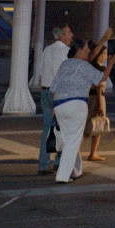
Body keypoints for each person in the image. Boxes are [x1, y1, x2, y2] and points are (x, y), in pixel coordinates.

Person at [51, 38, 115, 183]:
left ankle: (75, 171)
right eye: (86, 49)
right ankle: (63, 176)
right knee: (72, 142)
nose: (88, 52)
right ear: (79, 51)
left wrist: (53, 110)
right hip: (76, 105)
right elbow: (101, 79)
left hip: (60, 105)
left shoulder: (64, 64)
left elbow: (54, 87)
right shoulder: (84, 65)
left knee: (69, 140)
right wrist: (110, 64)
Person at [35, 23, 73, 175]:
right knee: (63, 128)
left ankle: (43, 164)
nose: (72, 35)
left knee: (47, 129)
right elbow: (60, 76)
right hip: (58, 93)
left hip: (45, 91)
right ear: (62, 36)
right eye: (69, 32)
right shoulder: (66, 52)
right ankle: (59, 161)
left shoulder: (47, 49)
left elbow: (41, 73)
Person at [83, 29, 114, 162]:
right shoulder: (100, 69)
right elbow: (100, 89)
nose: (106, 56)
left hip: (86, 98)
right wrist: (101, 106)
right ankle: (92, 153)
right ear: (99, 55)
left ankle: (77, 151)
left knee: (87, 125)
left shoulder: (89, 65)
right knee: (96, 126)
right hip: (95, 99)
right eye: (105, 53)